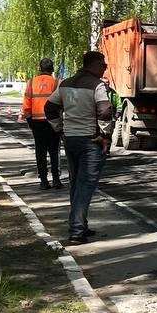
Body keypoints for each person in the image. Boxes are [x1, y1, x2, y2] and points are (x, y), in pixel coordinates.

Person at [44, 51, 115, 245]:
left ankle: (80, 224)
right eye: (103, 64)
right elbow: (105, 109)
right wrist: (105, 135)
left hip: (70, 138)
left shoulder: (65, 84)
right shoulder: (97, 85)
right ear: (92, 65)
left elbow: (49, 107)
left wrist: (59, 128)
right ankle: (76, 231)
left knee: (76, 183)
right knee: (86, 185)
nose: (105, 67)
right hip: (90, 140)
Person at [22, 58, 62, 190]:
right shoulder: (57, 83)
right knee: (54, 151)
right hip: (53, 121)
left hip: (37, 123)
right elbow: (63, 102)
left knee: (40, 151)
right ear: (52, 69)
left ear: (40, 68)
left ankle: (44, 181)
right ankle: (56, 179)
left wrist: (30, 122)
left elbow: (26, 106)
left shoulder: (31, 83)